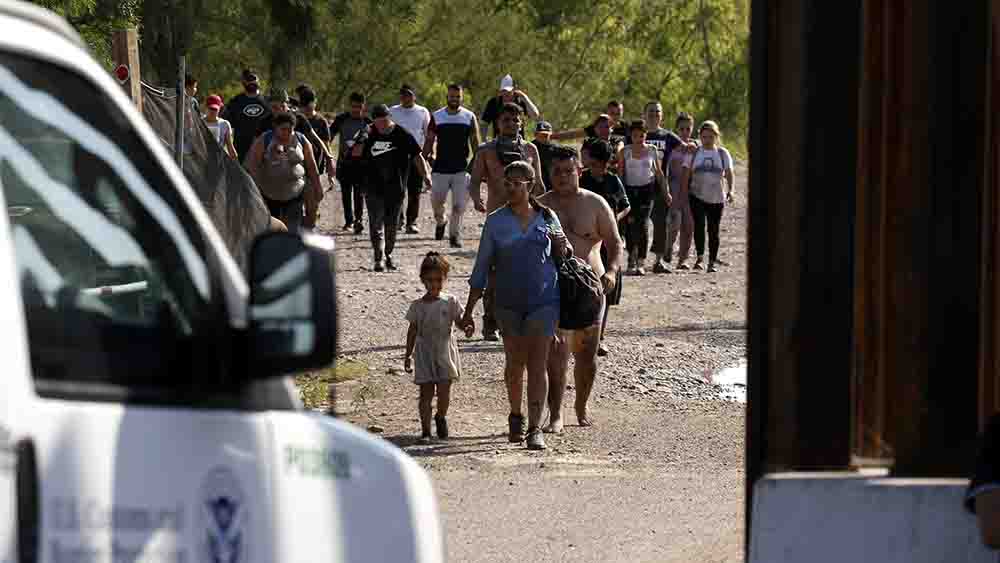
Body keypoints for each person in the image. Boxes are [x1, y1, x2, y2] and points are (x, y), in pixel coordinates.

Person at [463, 161, 570, 451]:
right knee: (514, 364)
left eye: (516, 183)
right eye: (506, 183)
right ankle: (515, 416)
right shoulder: (496, 221)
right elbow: (482, 266)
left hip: (544, 301)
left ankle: (535, 429)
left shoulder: (548, 217)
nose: (509, 188)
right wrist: (470, 310)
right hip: (508, 303)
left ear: (530, 186)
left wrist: (562, 245)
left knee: (538, 365)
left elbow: (564, 258)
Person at [538, 146, 624, 431]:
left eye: (568, 171)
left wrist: (611, 271)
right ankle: (555, 415)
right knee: (556, 354)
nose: (562, 177)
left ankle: (581, 404)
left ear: (579, 172)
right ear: (549, 174)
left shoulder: (596, 203)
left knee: (587, 355)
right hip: (553, 288)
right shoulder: (539, 206)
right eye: (557, 172)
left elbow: (615, 242)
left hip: (590, 287)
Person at [469, 102, 546, 341]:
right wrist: (476, 199)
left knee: (528, 271)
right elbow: (474, 181)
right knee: (493, 272)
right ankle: (489, 322)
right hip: (498, 219)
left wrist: (546, 210)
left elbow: (540, 184)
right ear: (498, 123)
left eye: (515, 120)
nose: (511, 124)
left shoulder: (531, 150)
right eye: (505, 120)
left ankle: (522, 320)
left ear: (522, 122)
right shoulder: (485, 151)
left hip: (528, 218)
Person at [404, 252, 475, 444]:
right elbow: (412, 331)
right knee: (425, 394)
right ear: (422, 280)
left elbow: (458, 321)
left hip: (445, 351)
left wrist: (466, 327)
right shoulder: (417, 307)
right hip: (424, 353)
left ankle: (441, 416)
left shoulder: (450, 301)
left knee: (444, 390)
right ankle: (426, 432)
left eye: (438, 279)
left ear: (445, 278)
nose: (434, 284)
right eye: (429, 280)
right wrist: (407, 355)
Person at [353, 104, 432, 272]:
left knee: (391, 225)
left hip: (396, 188)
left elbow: (417, 156)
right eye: (377, 122)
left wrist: (426, 175)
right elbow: (356, 153)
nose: (381, 125)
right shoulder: (368, 133)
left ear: (390, 118)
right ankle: (378, 258)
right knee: (375, 224)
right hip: (373, 187)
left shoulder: (402, 134)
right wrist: (362, 136)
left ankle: (388, 254)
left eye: (384, 121)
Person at [579, 140, 630, 357]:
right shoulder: (582, 179)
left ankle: (599, 337)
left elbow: (626, 206)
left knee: (605, 288)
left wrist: (610, 221)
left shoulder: (613, 180)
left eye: (587, 154)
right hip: (586, 241)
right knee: (580, 286)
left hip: (608, 240)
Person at [255, 89, 332, 228]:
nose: (278, 110)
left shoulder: (299, 119)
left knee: (311, 205)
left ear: (287, 105)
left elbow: (315, 137)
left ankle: (308, 228)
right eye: (274, 107)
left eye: (281, 106)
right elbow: (255, 151)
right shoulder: (264, 122)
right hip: (272, 175)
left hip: (303, 169)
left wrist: (328, 156)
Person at [423, 84, 481, 248]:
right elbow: (429, 140)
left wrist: (477, 165)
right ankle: (441, 221)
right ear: (447, 97)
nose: (454, 99)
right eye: (451, 96)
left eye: (457, 96)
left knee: (458, 206)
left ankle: (454, 235)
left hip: (461, 170)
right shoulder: (437, 116)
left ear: (461, 98)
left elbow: (476, 143)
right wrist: (425, 158)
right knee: (437, 203)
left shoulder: (469, 117)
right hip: (440, 169)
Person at [244, 112, 323, 232]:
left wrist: (318, 187)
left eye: (290, 130)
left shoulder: (302, 140)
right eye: (283, 129)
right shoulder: (264, 140)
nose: (286, 132)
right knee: (271, 230)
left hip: (295, 192)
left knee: (292, 229)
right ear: (275, 128)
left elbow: (311, 167)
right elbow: (253, 166)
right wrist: (255, 190)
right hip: (269, 193)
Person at [644, 103, 697, 272]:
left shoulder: (668, 136)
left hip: (660, 184)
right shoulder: (637, 133)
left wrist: (694, 146)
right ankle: (635, 260)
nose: (653, 114)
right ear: (644, 114)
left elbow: (685, 145)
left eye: (657, 112)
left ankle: (659, 261)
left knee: (661, 224)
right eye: (650, 111)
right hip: (638, 185)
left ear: (662, 115)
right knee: (638, 223)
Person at [682, 120, 735, 272]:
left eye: (710, 137)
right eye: (704, 137)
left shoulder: (722, 153)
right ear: (700, 137)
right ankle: (699, 258)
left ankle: (711, 261)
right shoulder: (694, 152)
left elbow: (729, 172)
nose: (707, 140)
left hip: (717, 197)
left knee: (713, 230)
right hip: (696, 195)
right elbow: (686, 172)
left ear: (716, 137)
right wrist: (684, 193)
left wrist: (731, 190)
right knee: (699, 226)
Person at [617, 120, 668, 275]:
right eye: (635, 136)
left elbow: (659, 173)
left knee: (643, 224)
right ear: (630, 136)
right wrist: (618, 194)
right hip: (630, 191)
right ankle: (631, 258)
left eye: (641, 135)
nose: (638, 139)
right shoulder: (625, 151)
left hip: (647, 190)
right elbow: (620, 174)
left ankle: (641, 261)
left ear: (646, 135)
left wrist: (666, 193)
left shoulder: (652, 150)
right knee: (631, 224)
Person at [390, 84, 432, 234]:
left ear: (414, 96)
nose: (405, 98)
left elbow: (429, 134)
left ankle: (411, 222)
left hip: (416, 156)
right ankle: (398, 220)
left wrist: (430, 153)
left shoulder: (422, 112)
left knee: (415, 191)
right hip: (396, 156)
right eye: (402, 95)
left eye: (408, 95)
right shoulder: (393, 111)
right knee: (397, 190)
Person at [330, 92, 373, 234]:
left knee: (359, 193)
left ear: (364, 107)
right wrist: (328, 156)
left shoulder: (368, 122)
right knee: (346, 193)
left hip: (362, 164)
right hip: (344, 162)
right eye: (353, 106)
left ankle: (358, 220)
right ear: (349, 106)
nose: (356, 110)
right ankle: (348, 221)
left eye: (359, 107)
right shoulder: (341, 119)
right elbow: (329, 135)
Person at [663, 112, 696, 270]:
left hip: (690, 190)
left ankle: (683, 259)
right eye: (681, 129)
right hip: (674, 188)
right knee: (674, 223)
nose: (685, 132)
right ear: (676, 129)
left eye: (688, 128)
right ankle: (668, 246)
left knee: (689, 225)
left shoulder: (695, 146)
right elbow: (665, 169)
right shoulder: (672, 147)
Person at [221, 69, 270, 163]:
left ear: (258, 81)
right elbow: (226, 125)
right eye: (248, 79)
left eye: (253, 78)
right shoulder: (235, 102)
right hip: (241, 149)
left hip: (263, 148)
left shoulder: (267, 101)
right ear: (243, 82)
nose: (251, 82)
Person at [480, 74, 540, 140]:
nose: (505, 94)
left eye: (508, 91)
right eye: (503, 91)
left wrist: (525, 97)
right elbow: (484, 123)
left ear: (514, 90)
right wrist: (484, 140)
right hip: (498, 143)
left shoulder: (520, 101)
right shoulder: (494, 103)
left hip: (518, 143)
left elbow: (535, 115)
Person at [298, 87, 334, 185]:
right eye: (304, 106)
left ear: (315, 102)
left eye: (309, 105)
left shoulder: (321, 121)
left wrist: (330, 166)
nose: (306, 109)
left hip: (316, 165)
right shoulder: (296, 120)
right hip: (298, 165)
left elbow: (326, 144)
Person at [550, 100, 629, 142]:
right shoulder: (598, 127)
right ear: (607, 112)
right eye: (612, 113)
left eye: (618, 113)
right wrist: (551, 136)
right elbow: (574, 134)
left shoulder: (626, 127)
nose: (615, 116)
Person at [204, 95, 238, 160]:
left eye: (215, 109)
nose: (213, 112)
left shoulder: (224, 124)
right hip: (202, 159)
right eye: (211, 108)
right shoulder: (199, 122)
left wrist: (234, 157)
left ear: (220, 108)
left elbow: (229, 145)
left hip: (218, 159)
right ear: (206, 107)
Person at [531, 121, 559, 192]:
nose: (543, 137)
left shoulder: (556, 149)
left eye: (546, 135)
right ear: (535, 134)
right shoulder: (529, 148)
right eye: (540, 134)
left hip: (552, 185)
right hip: (534, 186)